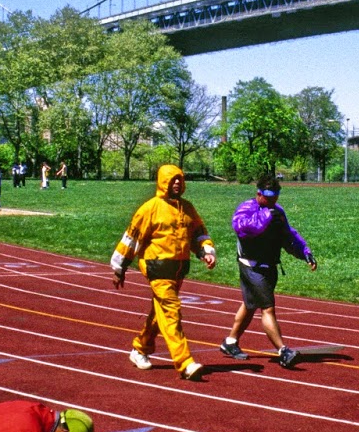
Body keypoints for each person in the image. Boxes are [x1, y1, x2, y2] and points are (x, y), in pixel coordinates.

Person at [111, 163, 217, 381]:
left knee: (159, 313)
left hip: (178, 270)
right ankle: (185, 362)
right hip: (157, 268)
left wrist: (206, 250)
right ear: (163, 182)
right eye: (172, 180)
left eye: (180, 179)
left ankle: (140, 348)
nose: (177, 183)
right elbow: (132, 238)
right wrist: (120, 266)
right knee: (171, 312)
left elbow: (198, 232)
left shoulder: (187, 208)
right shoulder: (150, 208)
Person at [219, 175, 317, 370]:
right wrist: (265, 216)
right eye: (268, 198)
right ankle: (283, 351)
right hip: (251, 266)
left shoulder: (278, 212)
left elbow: (289, 236)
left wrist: (305, 252)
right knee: (267, 308)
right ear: (259, 194)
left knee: (250, 305)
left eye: (275, 198)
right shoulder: (246, 209)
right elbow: (243, 229)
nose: (272, 202)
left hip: (269, 266)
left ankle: (230, 342)